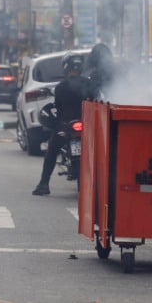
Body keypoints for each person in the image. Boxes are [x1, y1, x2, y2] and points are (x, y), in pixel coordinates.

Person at [32, 51, 103, 196]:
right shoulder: (90, 85)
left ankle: (44, 184)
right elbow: (97, 103)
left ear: (66, 67)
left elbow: (58, 108)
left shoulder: (61, 87)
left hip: (65, 127)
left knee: (52, 150)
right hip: (88, 127)